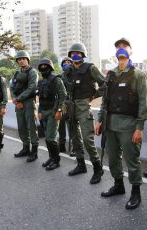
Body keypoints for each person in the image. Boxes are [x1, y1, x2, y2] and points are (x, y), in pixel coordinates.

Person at [95, 38, 147, 209]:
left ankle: (135, 192)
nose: (121, 49)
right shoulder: (110, 74)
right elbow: (105, 100)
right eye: (118, 47)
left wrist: (139, 128)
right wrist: (99, 121)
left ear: (131, 51)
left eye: (124, 47)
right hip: (110, 124)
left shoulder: (138, 75)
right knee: (112, 159)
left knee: (132, 160)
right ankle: (118, 185)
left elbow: (143, 103)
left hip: (129, 125)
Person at [62, 42, 106, 184]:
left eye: (78, 53)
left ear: (83, 55)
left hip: (83, 106)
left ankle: (97, 169)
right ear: (70, 56)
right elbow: (62, 87)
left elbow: (105, 85)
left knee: (88, 139)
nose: (75, 55)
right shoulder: (67, 71)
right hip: (70, 106)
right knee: (75, 138)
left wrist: (93, 96)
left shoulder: (90, 68)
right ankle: (81, 165)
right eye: (73, 53)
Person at [37, 58, 67, 170]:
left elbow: (63, 96)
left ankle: (56, 161)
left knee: (50, 138)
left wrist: (59, 110)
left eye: (46, 66)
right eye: (41, 67)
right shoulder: (40, 81)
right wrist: (39, 111)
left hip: (53, 112)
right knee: (47, 138)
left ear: (51, 68)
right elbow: (40, 98)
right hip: (43, 111)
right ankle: (51, 157)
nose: (44, 69)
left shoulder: (56, 80)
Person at [10, 50, 39, 162]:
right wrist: (15, 100)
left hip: (29, 103)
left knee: (31, 127)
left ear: (27, 60)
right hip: (19, 103)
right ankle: (25, 148)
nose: (21, 61)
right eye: (19, 59)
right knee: (21, 127)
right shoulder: (17, 73)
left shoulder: (32, 72)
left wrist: (19, 98)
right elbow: (12, 87)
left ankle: (34, 151)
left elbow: (32, 87)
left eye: (23, 59)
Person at [58, 57, 75, 156]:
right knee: (61, 126)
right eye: (64, 62)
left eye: (69, 62)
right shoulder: (59, 77)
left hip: (72, 104)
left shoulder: (74, 76)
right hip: (62, 104)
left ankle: (73, 148)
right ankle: (61, 145)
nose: (67, 63)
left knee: (72, 127)